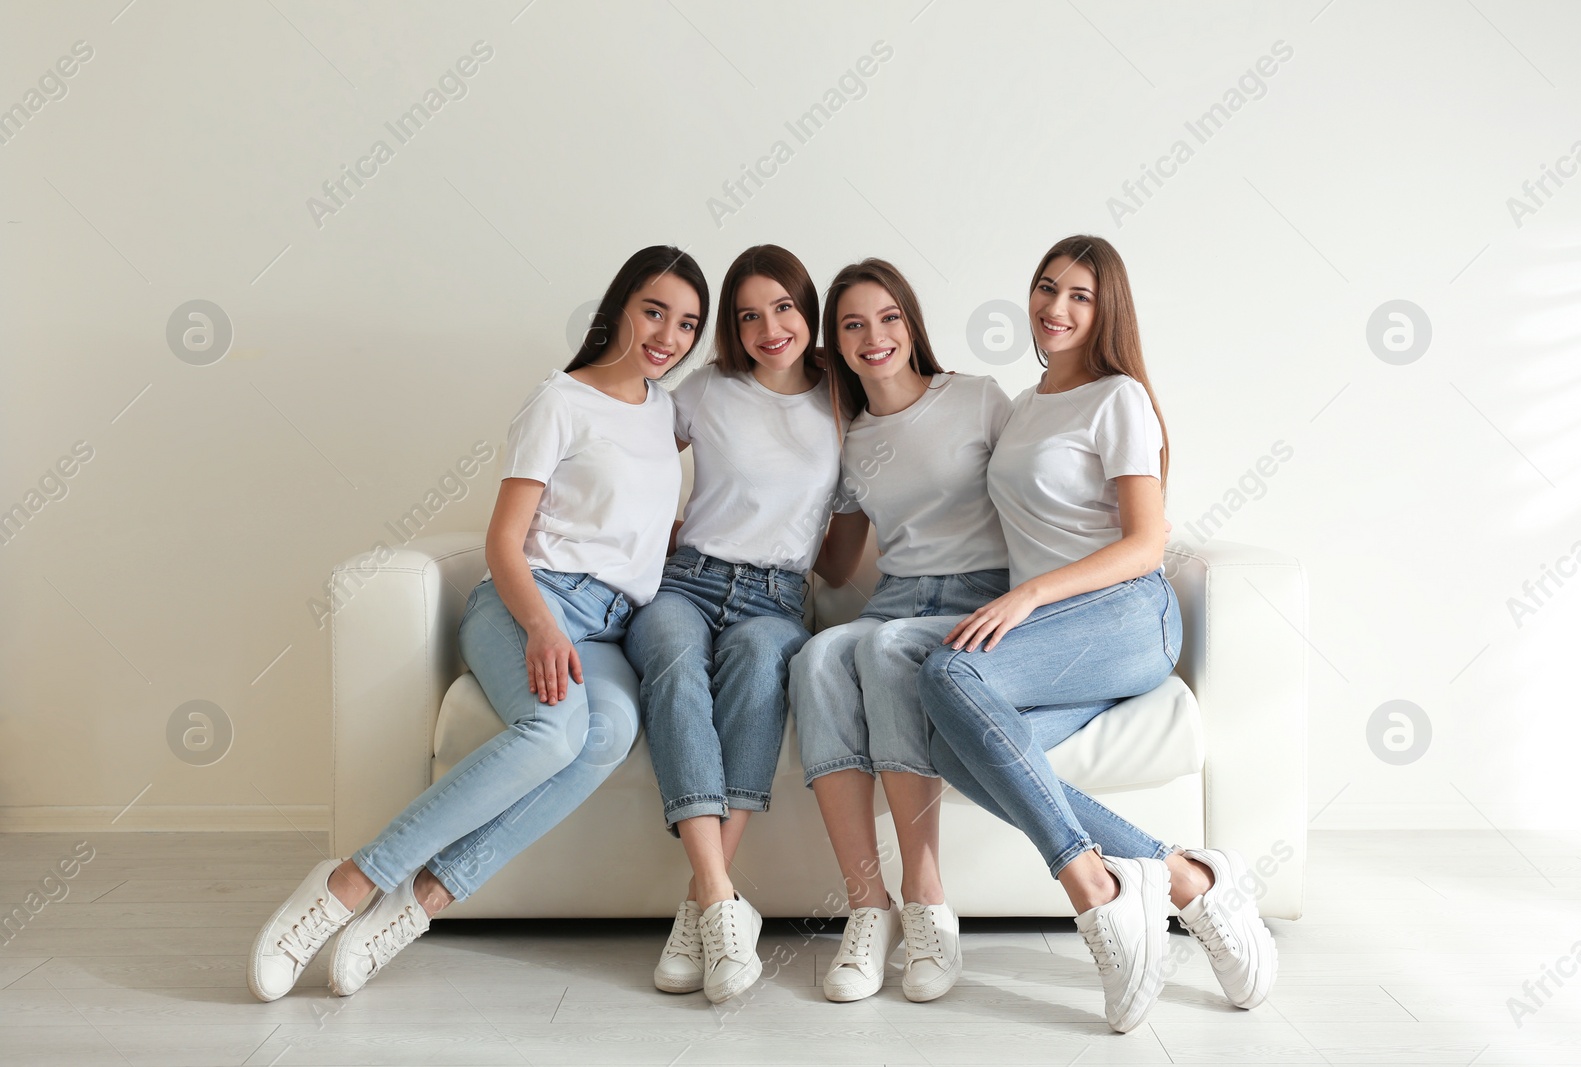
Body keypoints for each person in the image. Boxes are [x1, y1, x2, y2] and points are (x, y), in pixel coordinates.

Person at [246, 245, 708, 1002]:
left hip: (613, 625)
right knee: (555, 729)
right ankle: (346, 884)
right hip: (529, 600)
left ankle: (421, 901)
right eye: (654, 310)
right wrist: (543, 627)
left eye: (688, 323)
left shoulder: (664, 412)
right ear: (619, 306)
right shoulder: (559, 398)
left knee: (607, 733)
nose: (668, 335)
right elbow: (503, 539)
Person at [918, 235, 1277, 1032]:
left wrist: (1032, 594)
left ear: (1105, 308)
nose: (1055, 307)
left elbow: (1146, 542)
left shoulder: (1120, 397)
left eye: (1079, 295)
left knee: (948, 676)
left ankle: (1099, 889)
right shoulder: (1024, 404)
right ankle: (1187, 877)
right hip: (1057, 640)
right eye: (1047, 288)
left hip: (1127, 617)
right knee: (946, 745)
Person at [623, 245, 865, 1003]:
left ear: (808, 309)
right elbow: (628, 461)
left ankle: (702, 904)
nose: (770, 328)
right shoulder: (707, 389)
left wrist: (802, 553)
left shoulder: (841, 399)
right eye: (749, 315)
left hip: (776, 598)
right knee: (668, 657)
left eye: (784, 307)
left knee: (762, 669)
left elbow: (844, 552)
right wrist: (647, 534)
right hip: (687, 579)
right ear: (731, 326)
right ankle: (723, 905)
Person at [790, 258, 1014, 1004]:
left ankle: (927, 900)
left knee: (884, 648)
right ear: (839, 345)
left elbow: (1037, 494)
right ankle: (867, 905)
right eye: (852, 324)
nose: (873, 335)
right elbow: (838, 557)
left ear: (912, 323)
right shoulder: (849, 439)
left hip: (978, 597)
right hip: (898, 596)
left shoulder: (978, 399)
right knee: (817, 656)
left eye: (887, 317)